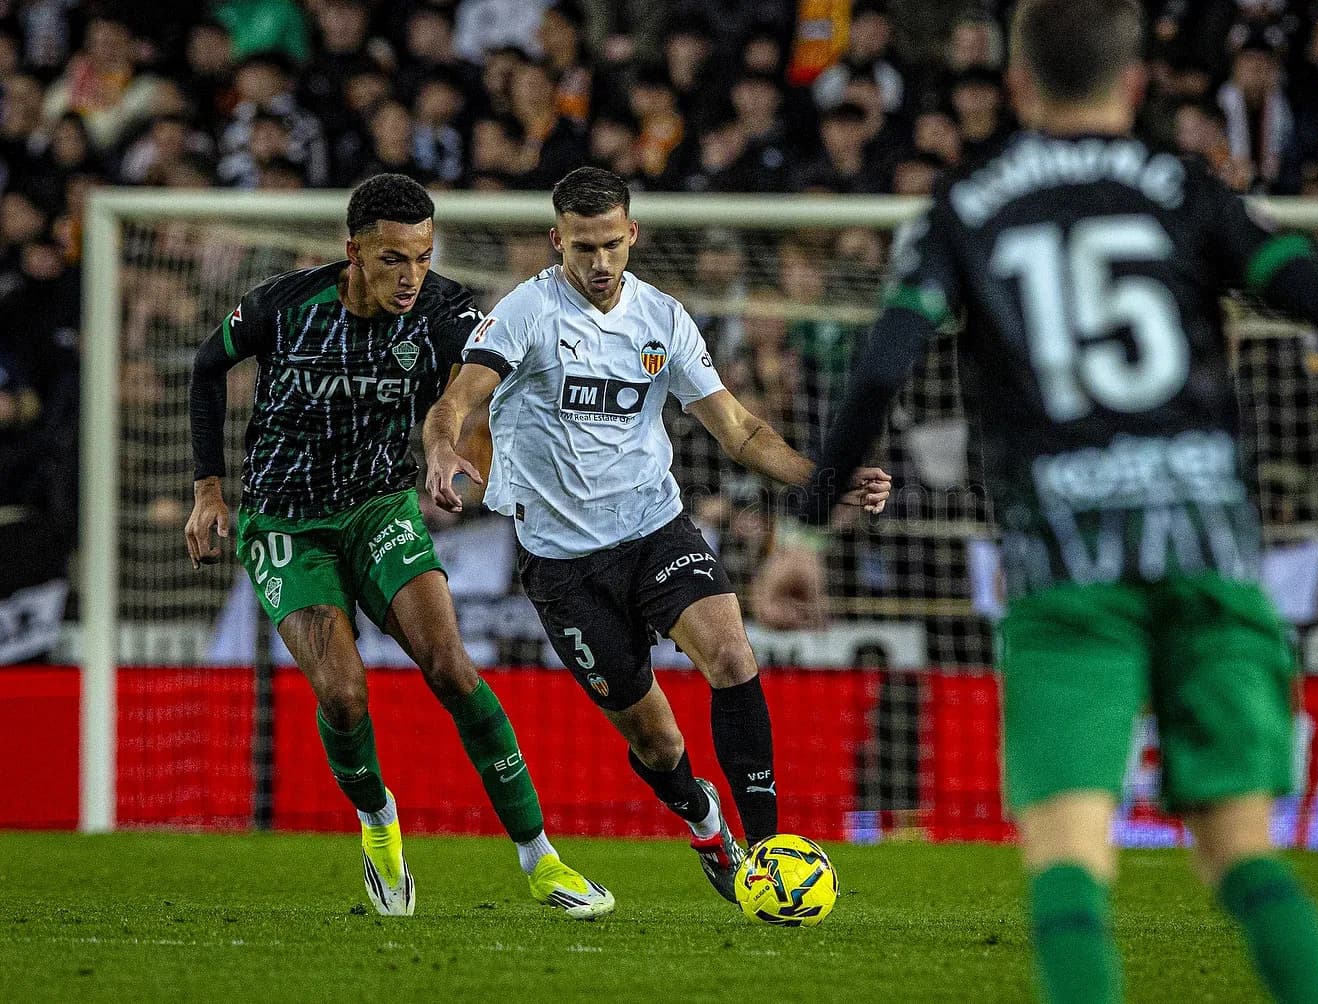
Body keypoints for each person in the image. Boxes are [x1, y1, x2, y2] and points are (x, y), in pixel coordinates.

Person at [755, 2, 1318, 1001]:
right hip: (1206, 553)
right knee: (1241, 856)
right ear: (1134, 86)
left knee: (1072, 863)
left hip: (1068, 573)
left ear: (1020, 88)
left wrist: (807, 525)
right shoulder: (1184, 186)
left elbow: (878, 369)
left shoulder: (968, 207)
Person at [421, 166, 890, 903]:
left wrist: (825, 478)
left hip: (654, 530)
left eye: (611, 244)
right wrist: (444, 445)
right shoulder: (524, 313)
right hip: (564, 566)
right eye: (582, 248)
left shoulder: (662, 318)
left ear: (632, 235)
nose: (600, 263)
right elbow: (456, 400)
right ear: (557, 242)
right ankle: (706, 823)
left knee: (733, 654)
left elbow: (738, 430)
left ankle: (768, 853)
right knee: (658, 742)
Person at [184, 173, 612, 920]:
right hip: (286, 523)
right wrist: (208, 489)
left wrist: (445, 447)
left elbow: (465, 387)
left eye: (422, 256)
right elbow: (205, 367)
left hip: (380, 509)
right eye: (392, 260)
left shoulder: (445, 308)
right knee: (345, 697)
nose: (411, 276)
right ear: (353, 252)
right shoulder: (285, 306)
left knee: (450, 666)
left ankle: (541, 860)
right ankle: (379, 823)